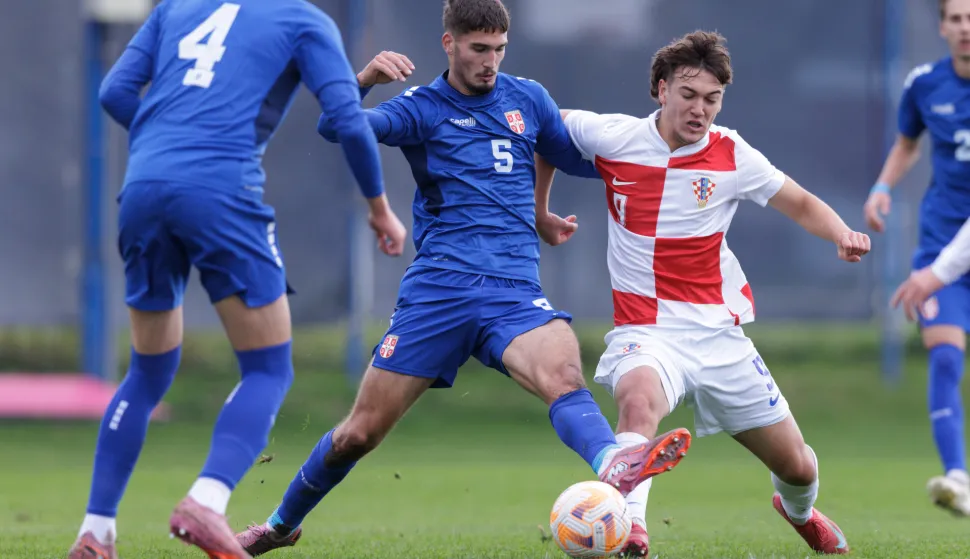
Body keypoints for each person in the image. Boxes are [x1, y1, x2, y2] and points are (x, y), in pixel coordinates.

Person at [235, 0, 692, 555]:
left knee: (562, 373)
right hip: (439, 293)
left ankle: (612, 461)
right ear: (449, 44)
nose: (490, 62)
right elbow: (336, 126)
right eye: (478, 49)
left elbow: (575, 155)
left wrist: (662, 143)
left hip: (513, 292)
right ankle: (280, 525)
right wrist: (365, 78)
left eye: (499, 49)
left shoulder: (528, 98)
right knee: (359, 433)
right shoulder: (422, 107)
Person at [67, 1, 407, 557]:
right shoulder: (303, 21)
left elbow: (113, 92)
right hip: (221, 189)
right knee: (268, 368)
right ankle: (207, 499)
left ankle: (96, 531)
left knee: (147, 372)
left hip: (145, 185)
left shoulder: (176, 7)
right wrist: (379, 208)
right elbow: (346, 119)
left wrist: (166, 136)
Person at [537, 30, 869, 556]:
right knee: (638, 402)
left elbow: (801, 202)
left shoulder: (731, 153)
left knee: (798, 465)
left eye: (712, 99)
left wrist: (841, 233)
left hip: (718, 336)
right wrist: (540, 210)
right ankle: (631, 529)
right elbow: (544, 132)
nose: (700, 110)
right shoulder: (612, 136)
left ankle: (797, 511)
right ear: (661, 90)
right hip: (645, 330)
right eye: (689, 96)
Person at [864, 0, 970, 517]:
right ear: (943, 27)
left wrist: (935, 272)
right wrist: (884, 186)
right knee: (946, 356)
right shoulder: (925, 83)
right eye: (956, 18)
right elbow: (908, 141)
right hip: (940, 245)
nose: (966, 27)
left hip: (946, 261)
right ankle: (958, 477)